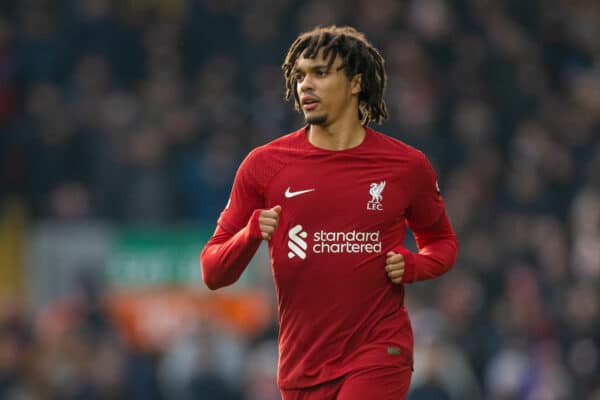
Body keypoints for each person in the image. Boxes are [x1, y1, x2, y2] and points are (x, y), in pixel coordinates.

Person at [200, 25, 459, 400]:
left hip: (379, 349)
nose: (306, 84)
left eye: (320, 73)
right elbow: (212, 271)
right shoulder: (263, 165)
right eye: (301, 75)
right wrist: (250, 233)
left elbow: (442, 241)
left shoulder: (406, 166)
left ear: (355, 83)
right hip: (302, 365)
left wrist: (416, 265)